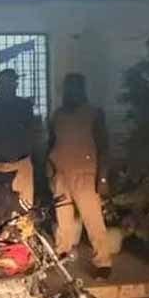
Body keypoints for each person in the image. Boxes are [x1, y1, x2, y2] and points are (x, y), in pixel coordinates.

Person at [48, 73, 112, 279]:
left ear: (82, 90)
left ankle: (103, 262)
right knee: (63, 220)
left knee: (93, 220)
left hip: (86, 175)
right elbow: (51, 143)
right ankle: (62, 255)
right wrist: (50, 170)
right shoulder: (58, 115)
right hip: (61, 175)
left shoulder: (94, 114)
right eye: (68, 88)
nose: (71, 92)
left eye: (75, 87)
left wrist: (103, 178)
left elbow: (103, 147)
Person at [0, 68, 37, 206]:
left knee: (24, 209)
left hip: (21, 163)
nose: (9, 85)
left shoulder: (24, 106)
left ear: (16, 85)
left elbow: (32, 132)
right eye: (6, 82)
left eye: (12, 82)